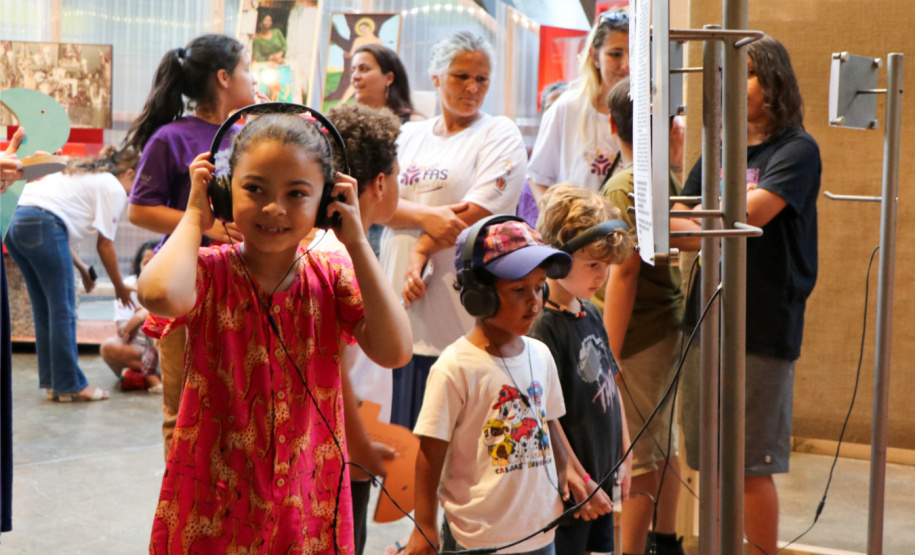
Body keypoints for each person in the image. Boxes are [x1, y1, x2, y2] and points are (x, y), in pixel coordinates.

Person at [138, 113, 412, 553]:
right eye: (254, 188)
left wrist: (358, 241)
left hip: (306, 500)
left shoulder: (333, 277)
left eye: (297, 193)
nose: (274, 208)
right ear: (224, 193)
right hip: (213, 500)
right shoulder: (208, 274)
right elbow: (158, 294)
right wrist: (193, 214)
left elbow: (396, 350)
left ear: (328, 203)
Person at [673, 36, 821, 555]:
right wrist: (698, 224)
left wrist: (698, 224)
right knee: (708, 459)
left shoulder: (797, 150)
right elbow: (675, 220)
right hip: (704, 317)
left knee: (748, 464)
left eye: (747, 74)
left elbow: (747, 218)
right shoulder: (718, 145)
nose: (732, 86)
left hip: (760, 322)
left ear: (774, 81)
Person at [381, 31, 527, 429]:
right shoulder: (408, 135)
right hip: (402, 313)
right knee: (402, 449)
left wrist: (420, 249)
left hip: (460, 316)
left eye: (482, 79)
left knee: (456, 451)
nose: (472, 88)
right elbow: (377, 205)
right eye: (461, 76)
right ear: (436, 77)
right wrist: (427, 219)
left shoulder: (498, 133)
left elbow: (474, 213)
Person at [402, 217, 573, 555]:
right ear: (477, 297)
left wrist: (570, 470)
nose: (535, 301)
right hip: (479, 538)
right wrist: (424, 526)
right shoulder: (456, 367)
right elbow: (429, 454)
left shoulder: (540, 354)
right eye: (519, 290)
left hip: (540, 531)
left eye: (540, 287)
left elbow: (549, 420)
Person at [124, 33, 255, 458]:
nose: (251, 79)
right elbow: (141, 211)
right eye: (246, 70)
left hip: (244, 283)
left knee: (238, 404)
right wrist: (206, 227)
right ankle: (180, 510)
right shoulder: (172, 138)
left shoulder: (247, 134)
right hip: (187, 286)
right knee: (181, 408)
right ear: (222, 78)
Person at [599, 77, 689, 555]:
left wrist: (609, 354)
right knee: (660, 441)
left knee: (637, 453)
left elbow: (624, 270)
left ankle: (632, 549)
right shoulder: (659, 176)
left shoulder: (624, 184)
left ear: (612, 124)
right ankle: (667, 539)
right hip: (663, 322)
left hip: (637, 334)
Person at [530, 184, 633, 554]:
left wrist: (626, 449)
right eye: (593, 265)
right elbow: (548, 414)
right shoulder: (544, 326)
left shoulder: (592, 312)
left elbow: (610, 381)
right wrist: (576, 473)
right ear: (557, 260)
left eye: (606, 266)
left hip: (602, 475)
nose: (602, 276)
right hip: (573, 486)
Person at [323, 102, 404, 555]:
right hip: (340, 453)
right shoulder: (341, 260)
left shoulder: (341, 250)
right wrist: (361, 448)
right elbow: (331, 370)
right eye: (399, 175)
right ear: (379, 183)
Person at [5, 145, 140, 402]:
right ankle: (71, 384)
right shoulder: (113, 187)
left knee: (46, 309)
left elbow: (55, 230)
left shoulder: (85, 176)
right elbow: (105, 244)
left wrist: (81, 269)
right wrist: (120, 287)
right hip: (42, 223)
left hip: (16, 223)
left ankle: (53, 382)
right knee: (63, 310)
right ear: (129, 173)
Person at [527, 10, 629, 201]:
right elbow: (538, 177)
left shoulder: (650, 114)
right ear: (595, 56)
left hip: (627, 228)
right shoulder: (566, 108)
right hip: (576, 228)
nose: (626, 64)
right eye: (615, 54)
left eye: (634, 54)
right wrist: (554, 221)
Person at [99, 240, 162, 392]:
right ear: (139, 265)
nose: (151, 267)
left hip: (167, 351)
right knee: (109, 348)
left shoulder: (171, 284)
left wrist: (147, 313)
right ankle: (157, 377)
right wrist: (139, 318)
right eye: (146, 262)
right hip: (141, 350)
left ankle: (142, 378)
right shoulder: (129, 287)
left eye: (156, 262)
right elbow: (123, 334)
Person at [350, 44, 424, 124]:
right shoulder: (349, 122)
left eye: (364, 69)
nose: (354, 76)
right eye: (353, 70)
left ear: (389, 78)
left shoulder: (414, 124)